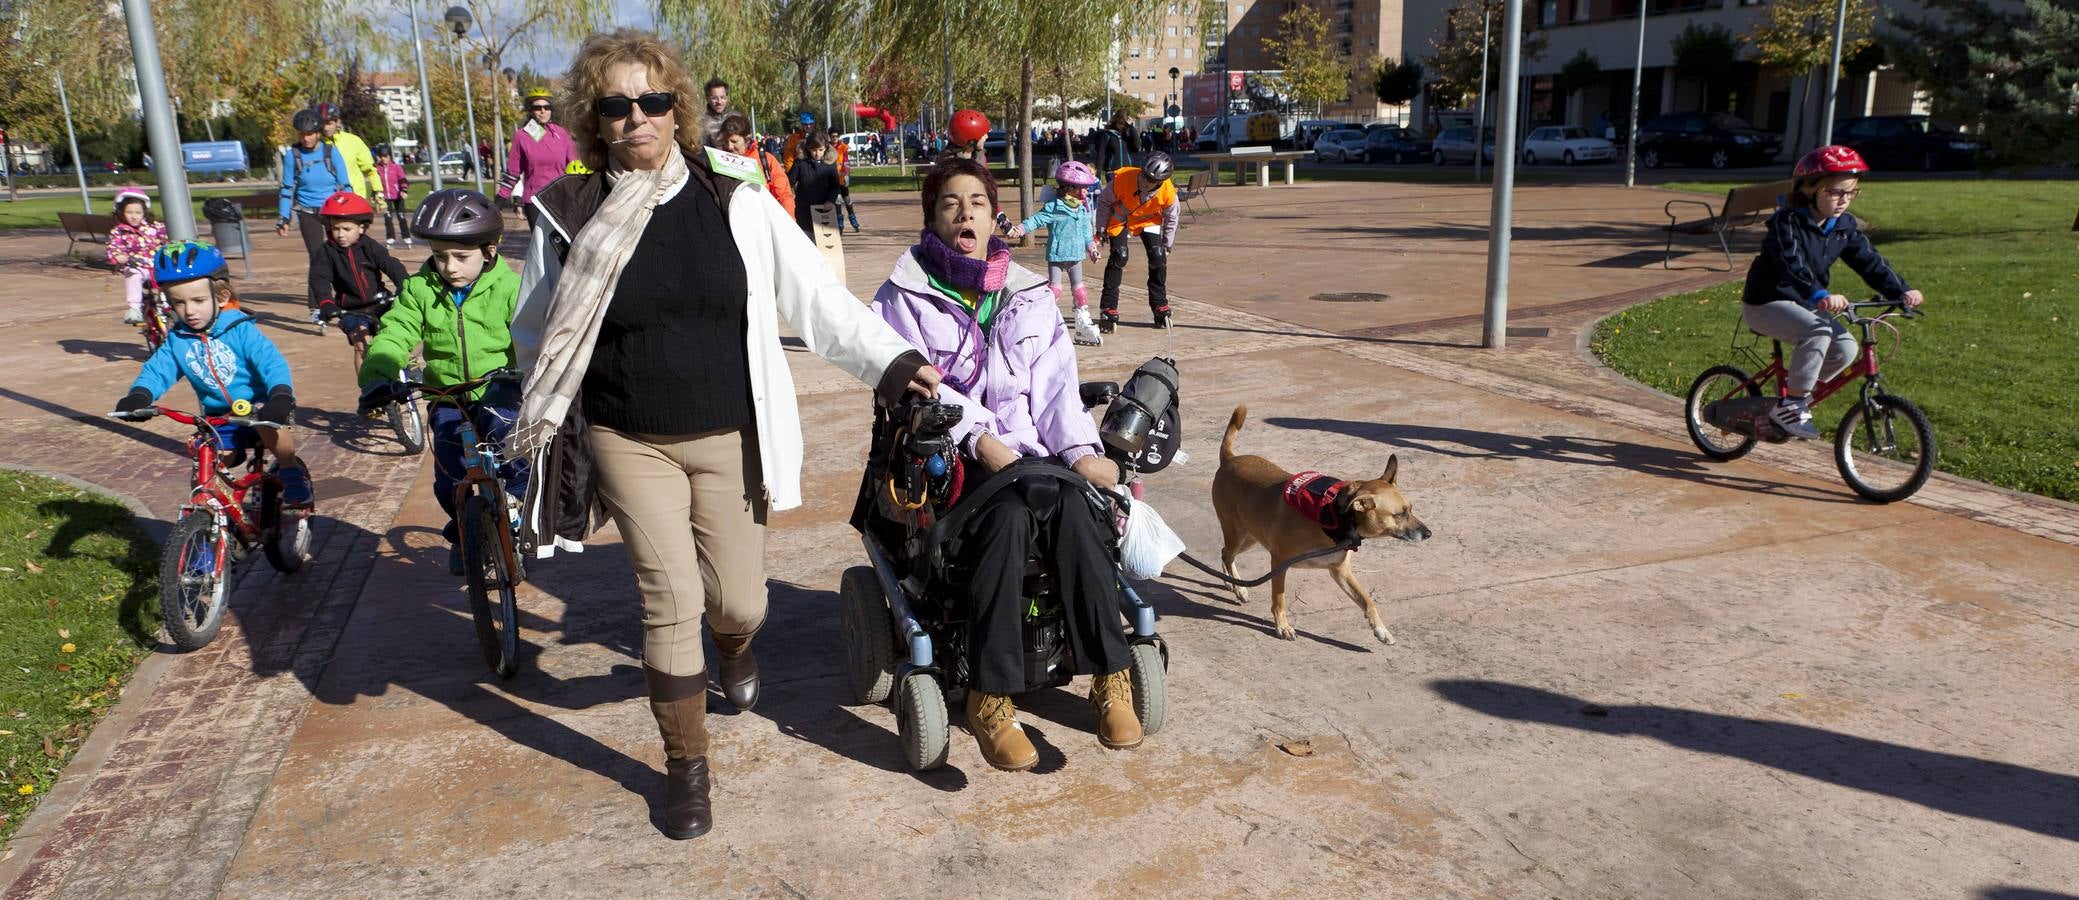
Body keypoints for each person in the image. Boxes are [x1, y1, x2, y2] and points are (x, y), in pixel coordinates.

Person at [508, 28, 940, 841]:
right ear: (593, 117)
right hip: (626, 435)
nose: (636, 117)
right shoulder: (566, 213)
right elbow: (536, 329)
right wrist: (536, 408)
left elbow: (815, 297)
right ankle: (685, 769)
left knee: (737, 602)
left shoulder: (733, 197)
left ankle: (733, 651)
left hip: (729, 434)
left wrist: (893, 362)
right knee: (666, 600)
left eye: (652, 100)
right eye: (615, 104)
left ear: (677, 107)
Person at [869, 156, 1144, 772]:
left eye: (975, 202)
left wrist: (1081, 452)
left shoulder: (1028, 295)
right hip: (948, 461)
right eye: (948, 203)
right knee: (1009, 522)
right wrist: (972, 438)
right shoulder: (902, 296)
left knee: (1077, 508)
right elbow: (912, 387)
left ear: (996, 217)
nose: (964, 212)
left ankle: (1110, 675)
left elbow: (1055, 390)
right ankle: (990, 698)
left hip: (1035, 457)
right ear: (932, 219)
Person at [359, 189, 528, 574]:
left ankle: (518, 507)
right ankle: (464, 527)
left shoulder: (510, 289)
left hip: (498, 386)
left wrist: (533, 374)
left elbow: (532, 334)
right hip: (446, 393)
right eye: (440, 256)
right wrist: (378, 375)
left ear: (489, 250)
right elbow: (396, 332)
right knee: (448, 470)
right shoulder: (420, 290)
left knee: (512, 445)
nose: (450, 267)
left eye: (461, 257)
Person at [1742, 145, 1923, 440]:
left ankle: (1789, 401)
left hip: (1805, 303)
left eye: (1851, 193)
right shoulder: (1787, 222)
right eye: (1835, 192)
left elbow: (1869, 261)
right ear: (1810, 190)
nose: (1843, 201)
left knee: (1845, 349)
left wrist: (1901, 290)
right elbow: (1792, 264)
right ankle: (1792, 406)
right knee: (1818, 332)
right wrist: (1818, 293)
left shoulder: (1844, 226)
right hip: (1766, 302)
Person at [114, 242, 312, 506]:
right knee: (209, 461)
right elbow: (158, 370)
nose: (189, 311)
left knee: (272, 433)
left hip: (263, 408)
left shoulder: (240, 329)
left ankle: (290, 471)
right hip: (221, 417)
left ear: (220, 297)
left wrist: (281, 394)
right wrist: (139, 395)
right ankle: (215, 520)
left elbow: (271, 363)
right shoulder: (179, 339)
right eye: (178, 303)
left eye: (198, 300)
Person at [309, 191, 409, 371]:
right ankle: (368, 389)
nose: (340, 234)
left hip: (381, 303)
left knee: (401, 335)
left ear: (361, 228)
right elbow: (319, 279)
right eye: (336, 228)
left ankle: (408, 365)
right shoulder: (326, 252)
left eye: (347, 229)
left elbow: (391, 265)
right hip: (351, 310)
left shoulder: (369, 246)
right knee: (362, 343)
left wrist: (405, 285)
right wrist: (326, 303)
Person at [1008, 160, 1103, 346]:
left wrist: (1092, 249)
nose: (1085, 193)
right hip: (1057, 256)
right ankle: (1045, 322)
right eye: (1081, 189)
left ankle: (1082, 324)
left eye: (1085, 189)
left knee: (1080, 291)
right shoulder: (1054, 207)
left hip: (1076, 256)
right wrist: (1020, 229)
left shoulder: (1082, 209)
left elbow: (1086, 233)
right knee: (1054, 291)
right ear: (1068, 188)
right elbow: (1036, 220)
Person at [279, 108, 352, 323]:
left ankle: (346, 297)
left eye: (310, 134)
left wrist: (349, 212)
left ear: (318, 133)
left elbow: (345, 184)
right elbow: (286, 188)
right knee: (317, 257)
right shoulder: (294, 155)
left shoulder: (330, 152)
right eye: (302, 134)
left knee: (341, 253)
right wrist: (283, 217)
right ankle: (316, 306)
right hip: (307, 211)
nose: (306, 138)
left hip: (332, 210)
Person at [1094, 150, 1179, 332]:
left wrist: (1167, 243)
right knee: (1119, 255)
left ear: (1161, 182)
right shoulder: (1124, 178)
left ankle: (1159, 305)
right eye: (1144, 176)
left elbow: (1172, 218)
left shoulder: (1169, 193)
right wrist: (1101, 229)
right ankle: (1108, 307)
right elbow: (1103, 202)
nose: (1144, 181)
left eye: (1151, 180)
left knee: (1158, 256)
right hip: (1121, 218)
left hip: (1148, 220)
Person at [499, 87, 580, 228]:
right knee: (540, 247)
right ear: (531, 111)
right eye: (538, 107)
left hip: (561, 199)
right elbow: (513, 173)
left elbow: (574, 168)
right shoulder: (522, 136)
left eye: (547, 107)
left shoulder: (561, 134)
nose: (543, 111)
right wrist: (500, 199)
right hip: (535, 200)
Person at [711, 112, 793, 217]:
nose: (729, 146)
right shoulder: (718, 162)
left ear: (747, 139)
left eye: (734, 141)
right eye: (725, 141)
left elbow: (784, 195)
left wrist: (788, 223)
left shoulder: (766, 160)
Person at [789, 134, 847, 280]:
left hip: (824, 213)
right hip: (804, 212)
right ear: (808, 149)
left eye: (820, 150)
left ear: (825, 148)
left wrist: (830, 201)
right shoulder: (801, 163)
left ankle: (826, 278)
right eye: (813, 150)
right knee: (807, 246)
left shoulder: (829, 164)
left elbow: (835, 186)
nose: (817, 153)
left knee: (825, 248)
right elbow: (789, 180)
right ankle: (808, 276)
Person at [106, 189, 167, 326]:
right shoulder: (119, 231)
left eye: (138, 212)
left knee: (172, 278)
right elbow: (113, 247)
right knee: (133, 275)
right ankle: (135, 309)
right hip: (137, 266)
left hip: (157, 265)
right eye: (129, 212)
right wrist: (117, 256)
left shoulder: (155, 227)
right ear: (122, 213)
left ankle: (172, 304)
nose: (134, 216)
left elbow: (166, 239)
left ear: (144, 212)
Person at [318, 103, 379, 202]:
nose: (325, 128)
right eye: (323, 123)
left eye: (329, 123)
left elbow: (370, 169)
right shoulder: (317, 145)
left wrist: (377, 191)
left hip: (355, 198)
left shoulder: (353, 141)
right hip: (327, 201)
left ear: (337, 122)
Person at [374, 147, 412, 246]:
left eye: (385, 156)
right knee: (388, 217)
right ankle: (390, 237)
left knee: (401, 216)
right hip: (385, 196)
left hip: (397, 195)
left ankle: (406, 236)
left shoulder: (396, 167)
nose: (384, 159)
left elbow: (403, 180)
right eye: (381, 156)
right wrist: (374, 194)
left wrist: (404, 190)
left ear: (389, 156)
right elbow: (375, 182)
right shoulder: (377, 168)